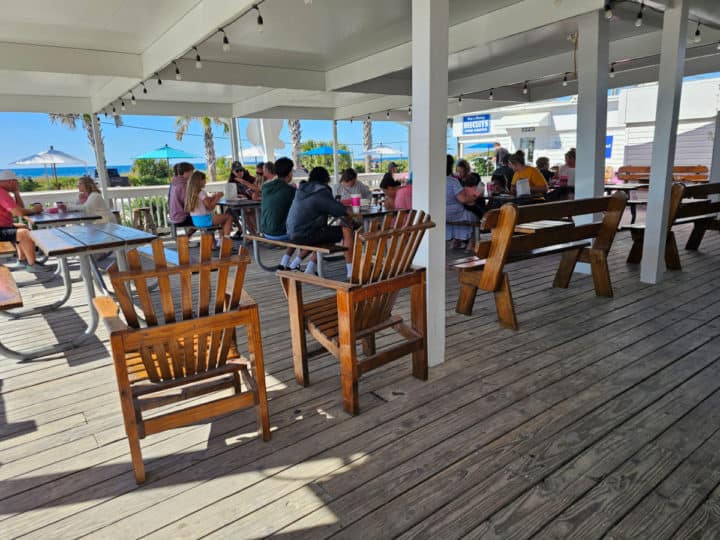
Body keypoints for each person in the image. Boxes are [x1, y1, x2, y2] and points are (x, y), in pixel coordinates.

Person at [286, 166, 356, 279]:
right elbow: (339, 210)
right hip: (306, 234)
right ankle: (351, 272)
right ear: (326, 178)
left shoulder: (302, 189)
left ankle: (302, 266)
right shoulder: (321, 191)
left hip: (292, 232)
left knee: (324, 234)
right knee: (346, 229)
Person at [260, 157, 314, 272]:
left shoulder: (265, 187)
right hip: (279, 232)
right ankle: (297, 264)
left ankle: (284, 262)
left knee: (296, 228)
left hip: (265, 231)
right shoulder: (289, 191)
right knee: (313, 232)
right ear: (289, 173)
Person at [0, 171, 47, 273]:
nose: (18, 184)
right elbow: (19, 212)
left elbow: (20, 208)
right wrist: (34, 210)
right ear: (10, 182)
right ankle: (32, 264)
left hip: (4, 226)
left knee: (23, 227)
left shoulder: (4, 192)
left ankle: (23, 260)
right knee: (24, 233)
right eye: (17, 182)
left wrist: (16, 193)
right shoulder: (1, 192)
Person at [446, 155, 481, 250]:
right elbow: (463, 199)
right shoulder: (453, 181)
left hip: (440, 213)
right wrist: (474, 197)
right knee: (475, 216)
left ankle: (456, 240)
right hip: (455, 213)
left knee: (463, 214)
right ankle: (471, 242)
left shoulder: (433, 181)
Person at [185, 170, 233, 238]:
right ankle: (226, 241)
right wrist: (217, 197)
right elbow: (210, 207)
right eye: (204, 180)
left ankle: (221, 241)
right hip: (204, 220)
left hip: (196, 220)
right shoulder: (201, 192)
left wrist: (214, 196)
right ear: (199, 181)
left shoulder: (191, 192)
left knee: (222, 218)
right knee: (229, 217)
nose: (205, 182)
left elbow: (204, 201)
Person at [227, 161, 260, 236]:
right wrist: (238, 195)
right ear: (233, 172)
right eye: (237, 171)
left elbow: (256, 190)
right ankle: (241, 229)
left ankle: (253, 234)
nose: (240, 172)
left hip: (252, 202)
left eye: (241, 170)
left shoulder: (250, 179)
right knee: (229, 211)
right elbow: (230, 194)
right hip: (240, 203)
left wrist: (243, 182)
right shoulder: (231, 182)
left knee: (246, 212)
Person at [169, 162, 195, 230]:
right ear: (186, 172)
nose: (192, 174)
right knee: (204, 220)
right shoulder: (182, 185)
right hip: (181, 218)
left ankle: (186, 237)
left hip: (174, 215)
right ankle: (211, 240)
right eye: (191, 172)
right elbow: (187, 204)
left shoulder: (174, 183)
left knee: (201, 218)